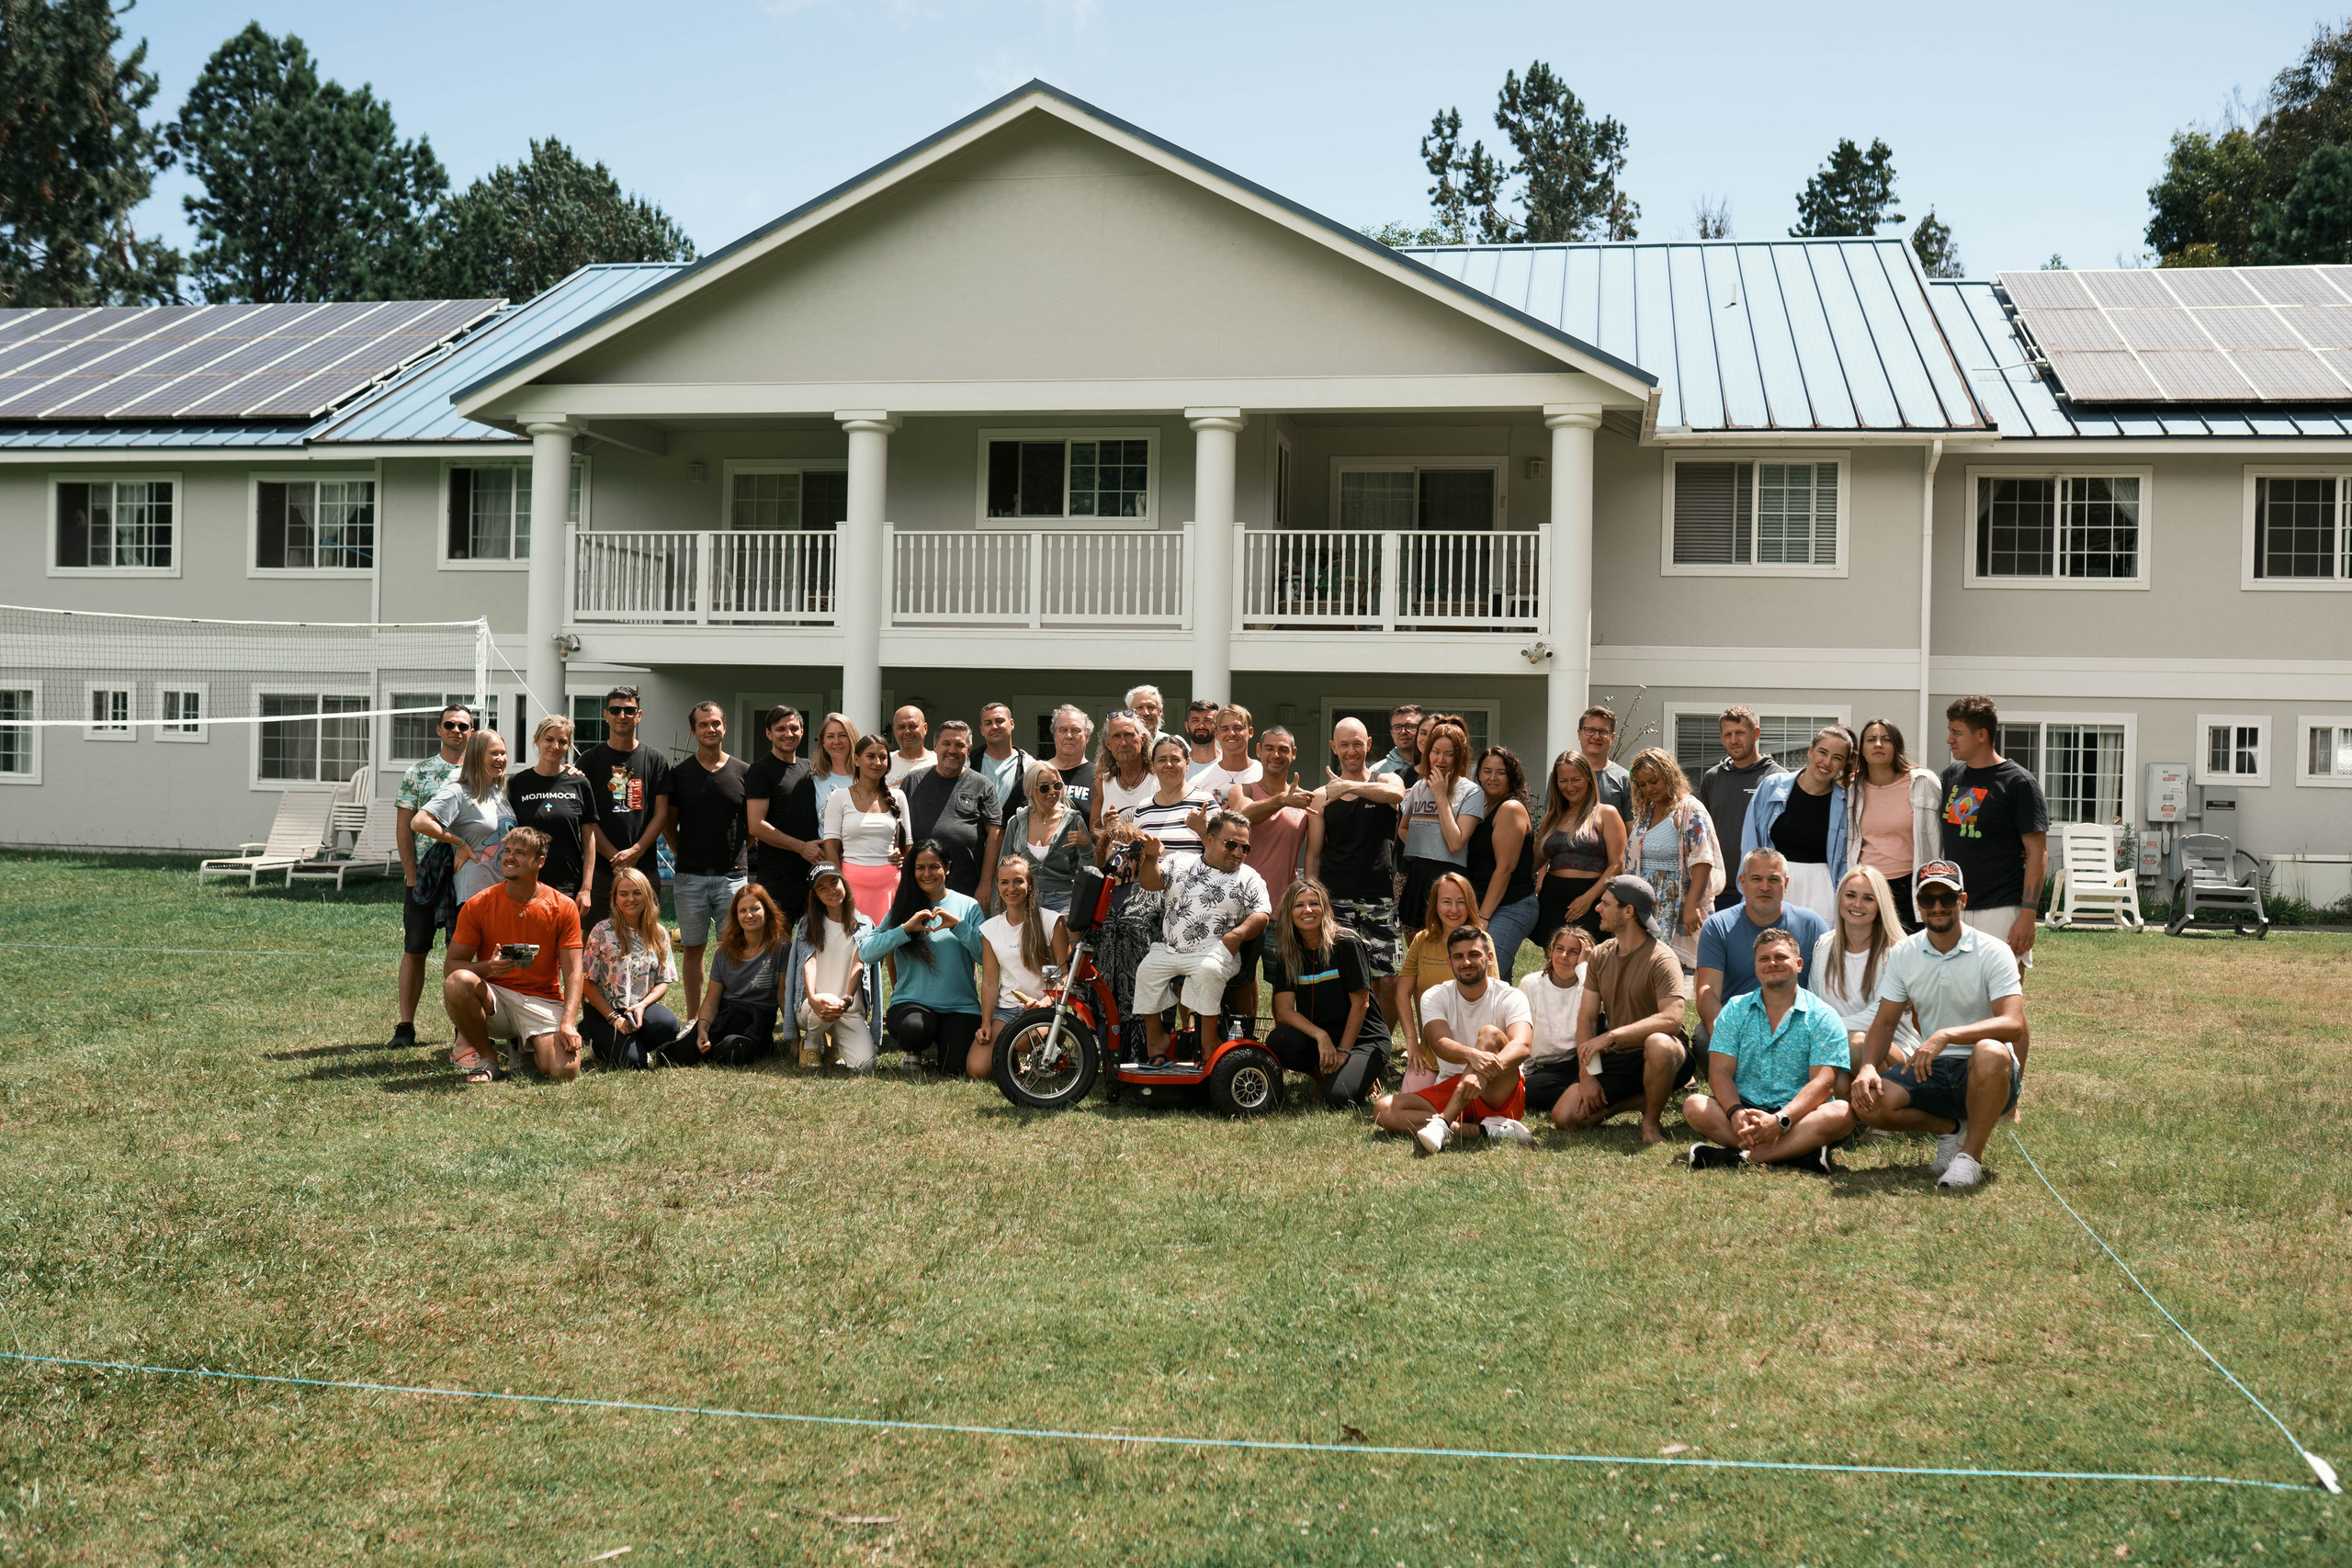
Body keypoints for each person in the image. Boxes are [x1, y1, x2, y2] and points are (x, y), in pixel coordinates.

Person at [1848, 861, 2027, 1190]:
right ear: (1918, 905)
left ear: (1963, 900)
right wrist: (1868, 1068)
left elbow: (2013, 1024)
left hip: (1988, 1071)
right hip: (1932, 1068)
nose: (1938, 907)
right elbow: (1886, 1021)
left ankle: (1970, 1158)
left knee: (1989, 1050)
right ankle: (1950, 1131)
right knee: (1868, 1104)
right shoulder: (1904, 953)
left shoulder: (1994, 951)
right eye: (1928, 899)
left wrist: (1946, 1035)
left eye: (1947, 898)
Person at [1683, 927, 1856, 1173]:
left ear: (1798, 964)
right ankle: (1798, 1154)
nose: (1772, 963)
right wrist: (1734, 1113)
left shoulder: (1823, 1016)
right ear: (1755, 967)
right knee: (1694, 1106)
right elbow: (1719, 1072)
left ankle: (1738, 1157)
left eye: (1780, 957)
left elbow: (1824, 1083)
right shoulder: (1735, 1010)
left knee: (1842, 1112)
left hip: (1800, 1116)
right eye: (1764, 959)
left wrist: (1781, 1120)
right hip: (1745, 1112)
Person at [1548, 877, 1693, 1143]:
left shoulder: (1662, 958)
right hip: (1621, 1057)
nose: (1597, 908)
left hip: (1667, 1056)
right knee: (1564, 1117)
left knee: (1659, 1043)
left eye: (1605, 903)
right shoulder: (1601, 955)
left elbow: (1672, 1020)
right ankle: (1640, 1099)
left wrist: (1612, 1036)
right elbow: (1587, 1019)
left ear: (1628, 912)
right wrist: (1587, 1075)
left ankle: (1650, 1123)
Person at [1373, 924, 1535, 1154]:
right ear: (1449, 963)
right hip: (1452, 1084)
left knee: (1489, 1034)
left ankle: (1442, 1123)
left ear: (1489, 957)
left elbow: (1523, 1046)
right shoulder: (1435, 996)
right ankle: (1490, 1131)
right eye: (1458, 956)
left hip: (1498, 1089)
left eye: (1474, 955)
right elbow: (1440, 1044)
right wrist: (1473, 1056)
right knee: (1383, 1108)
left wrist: (1484, 1070)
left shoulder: (1510, 996)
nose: (1466, 962)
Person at [441, 827, 585, 1084]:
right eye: (507, 851)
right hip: (496, 1000)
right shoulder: (479, 904)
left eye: (520, 853)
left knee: (563, 1072)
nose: (510, 857)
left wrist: (568, 1023)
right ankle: (488, 1058)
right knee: (457, 982)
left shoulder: (563, 906)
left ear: (540, 862)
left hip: (542, 999)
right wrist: (488, 968)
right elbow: (451, 967)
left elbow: (574, 971)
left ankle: (523, 1045)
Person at [1132, 810, 1271, 1067]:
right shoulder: (1180, 862)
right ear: (1208, 840)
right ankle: (1157, 1043)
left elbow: (1261, 914)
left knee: (1207, 971)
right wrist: (1151, 857)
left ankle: (1209, 1044)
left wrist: (1237, 935)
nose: (1238, 852)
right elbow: (1150, 883)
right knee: (1146, 972)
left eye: (1245, 847)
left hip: (1215, 950)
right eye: (1231, 844)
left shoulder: (1249, 876)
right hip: (1170, 948)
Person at [1304, 717, 1408, 1037]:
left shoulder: (1386, 779)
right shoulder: (1321, 796)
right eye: (1344, 745)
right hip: (1335, 899)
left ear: (1368, 745)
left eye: (1357, 744)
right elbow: (1314, 853)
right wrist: (1311, 898)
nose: (1351, 751)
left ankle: (1381, 1048)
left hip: (1380, 898)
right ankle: (1343, 1044)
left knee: (1388, 980)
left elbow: (1397, 795)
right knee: (1341, 979)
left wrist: (1348, 786)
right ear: (1334, 748)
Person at [1939, 695, 2050, 976]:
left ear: (1982, 735)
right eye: (1950, 731)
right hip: (1956, 906)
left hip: (2002, 909)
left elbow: (2037, 852)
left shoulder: (2018, 782)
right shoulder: (1951, 776)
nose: (1950, 739)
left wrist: (2028, 915)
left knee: (2003, 1004)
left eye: (1957, 732)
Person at [1260, 877, 1389, 1106]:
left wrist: (1343, 1051)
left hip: (1363, 1038)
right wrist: (1321, 1035)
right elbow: (1283, 1011)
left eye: (1314, 904)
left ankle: (1357, 1074)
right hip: (1323, 1036)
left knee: (1336, 1099)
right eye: (1299, 905)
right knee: (1279, 1040)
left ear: (1325, 908)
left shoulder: (1347, 944)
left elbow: (1362, 1004)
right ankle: (1323, 1076)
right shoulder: (1289, 952)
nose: (1307, 910)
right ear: (1289, 912)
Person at [865, 841, 988, 1077]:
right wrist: (904, 930)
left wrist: (959, 927)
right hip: (912, 1004)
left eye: (934, 866)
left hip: (960, 1008)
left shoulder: (968, 906)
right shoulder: (902, 907)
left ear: (947, 868)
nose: (927, 873)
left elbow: (985, 958)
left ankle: (946, 1041)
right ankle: (914, 1050)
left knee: (955, 1068)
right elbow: (867, 952)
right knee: (915, 1030)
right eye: (920, 867)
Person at [391, 703, 473, 1049]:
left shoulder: (481, 769)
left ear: (472, 732)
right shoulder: (418, 772)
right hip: (426, 876)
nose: (457, 730)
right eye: (450, 724)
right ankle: (405, 1026)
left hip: (468, 877)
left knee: (462, 953)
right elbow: (403, 828)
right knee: (416, 948)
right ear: (439, 730)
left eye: (464, 726)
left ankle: (463, 1026)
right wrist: (411, 875)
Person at [664, 701, 752, 1021]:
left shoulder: (744, 772)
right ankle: (692, 1017)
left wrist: (740, 849)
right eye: (703, 725)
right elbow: (668, 824)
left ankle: (729, 1013)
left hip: (733, 877)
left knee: (734, 948)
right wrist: (683, 852)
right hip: (690, 877)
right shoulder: (680, 775)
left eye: (715, 723)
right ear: (694, 731)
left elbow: (751, 826)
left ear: (724, 727)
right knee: (693, 949)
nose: (710, 729)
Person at [1696, 849, 1831, 1039]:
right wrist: (1725, 1035)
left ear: (1786, 884)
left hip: (1797, 1025)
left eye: (1774, 880)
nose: (1765, 887)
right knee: (1703, 1041)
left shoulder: (1811, 924)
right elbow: (1707, 990)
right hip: (1737, 1022)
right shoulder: (1718, 926)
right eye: (1756, 879)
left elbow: (1828, 988)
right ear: (1742, 883)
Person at [1810, 864, 1920, 1090]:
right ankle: (1868, 1122)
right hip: (1835, 1049)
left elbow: (1881, 1015)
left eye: (1868, 898)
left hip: (1893, 1050)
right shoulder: (1824, 946)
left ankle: (1892, 1105)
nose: (1857, 904)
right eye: (1850, 895)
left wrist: (1823, 1031)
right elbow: (1814, 1003)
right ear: (1840, 898)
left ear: (1880, 905)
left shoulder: (1897, 951)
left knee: (1856, 1044)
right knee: (1836, 1081)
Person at [1622, 748, 1725, 972]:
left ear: (1669, 775)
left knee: (1669, 970)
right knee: (1642, 970)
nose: (1649, 789)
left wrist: (1692, 905)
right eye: (1642, 784)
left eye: (1654, 781)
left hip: (1675, 902)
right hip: (1646, 903)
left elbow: (1703, 859)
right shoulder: (1646, 812)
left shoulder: (1689, 809)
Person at [1742, 725, 1854, 927]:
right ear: (1811, 751)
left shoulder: (1847, 803)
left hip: (1822, 893)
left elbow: (1846, 859)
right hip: (1773, 884)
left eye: (1837, 758)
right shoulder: (1772, 786)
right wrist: (1748, 890)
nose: (1827, 762)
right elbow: (1751, 846)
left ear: (1844, 764)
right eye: (1823, 752)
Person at [1396, 871, 1498, 1093]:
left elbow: (1494, 997)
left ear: (1470, 905)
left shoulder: (1482, 941)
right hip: (1432, 1049)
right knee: (1409, 1099)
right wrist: (1412, 1043)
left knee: (1463, 1103)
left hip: (1474, 1048)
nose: (1454, 910)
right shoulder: (1422, 940)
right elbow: (1402, 992)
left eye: (1461, 902)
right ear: (1435, 905)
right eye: (1446, 902)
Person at [580, 685, 672, 930]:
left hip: (644, 866)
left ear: (638, 715)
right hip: (600, 868)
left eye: (629, 710)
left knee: (645, 936)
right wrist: (614, 856)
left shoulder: (655, 759)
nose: (622, 715)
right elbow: (585, 818)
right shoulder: (589, 760)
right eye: (616, 709)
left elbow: (661, 813)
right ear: (606, 714)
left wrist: (636, 851)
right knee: (595, 939)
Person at [579, 865, 681, 1070]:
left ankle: (631, 1045)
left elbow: (663, 981)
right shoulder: (601, 931)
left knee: (669, 1025)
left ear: (646, 895)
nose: (630, 899)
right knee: (636, 1063)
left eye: (637, 893)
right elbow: (586, 982)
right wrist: (613, 1017)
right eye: (623, 894)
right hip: (603, 1012)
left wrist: (643, 1006)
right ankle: (599, 1046)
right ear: (615, 898)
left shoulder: (658, 932)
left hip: (638, 1010)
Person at [1847, 717, 1941, 931]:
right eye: (1871, 739)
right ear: (1862, 750)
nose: (1878, 744)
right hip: (1866, 885)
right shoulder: (1852, 788)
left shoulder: (1923, 782)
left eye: (1886, 739)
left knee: (1909, 954)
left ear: (1897, 746)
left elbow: (1943, 834)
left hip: (1910, 885)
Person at [786, 863, 879, 1071]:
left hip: (848, 1011)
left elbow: (859, 964)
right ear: (816, 895)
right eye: (822, 888)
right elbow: (809, 961)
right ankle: (811, 1040)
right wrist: (812, 997)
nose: (831, 891)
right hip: (814, 1009)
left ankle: (834, 1042)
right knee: (827, 1000)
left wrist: (846, 999)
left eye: (834, 882)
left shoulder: (864, 925)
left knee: (864, 1065)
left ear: (843, 883)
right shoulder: (809, 923)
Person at [504, 715, 600, 916]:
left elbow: (589, 839)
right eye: (549, 739)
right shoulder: (517, 783)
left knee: (565, 946)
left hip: (568, 885)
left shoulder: (580, 784)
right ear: (537, 740)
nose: (555, 746)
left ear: (569, 745)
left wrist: (586, 888)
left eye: (563, 741)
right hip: (525, 884)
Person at [976, 854, 1071, 1055]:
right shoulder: (990, 929)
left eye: (1018, 881)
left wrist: (1047, 1001)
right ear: (998, 887)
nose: (1011, 888)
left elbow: (1065, 974)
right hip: (1006, 1011)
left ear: (1029, 885)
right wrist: (986, 1023)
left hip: (1043, 1009)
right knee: (977, 1069)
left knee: (1022, 1040)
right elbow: (990, 982)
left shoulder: (1052, 921)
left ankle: (1055, 1040)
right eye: (1004, 882)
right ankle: (1014, 1065)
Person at [1396, 719, 1482, 940]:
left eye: (1449, 754)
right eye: (1435, 751)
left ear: (1460, 755)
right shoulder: (1418, 786)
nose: (1440, 760)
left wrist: (1441, 796)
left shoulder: (1471, 791)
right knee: (1417, 945)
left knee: (1450, 944)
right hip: (1418, 874)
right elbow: (1403, 829)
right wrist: (1423, 845)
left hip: (1450, 876)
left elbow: (1456, 843)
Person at [903, 720, 1002, 906]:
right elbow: (897, 827)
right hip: (918, 887)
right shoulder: (913, 781)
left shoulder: (982, 785)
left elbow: (995, 834)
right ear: (935, 746)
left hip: (967, 889)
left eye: (959, 745)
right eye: (946, 744)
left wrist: (986, 883)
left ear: (969, 748)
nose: (952, 750)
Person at [686, 884, 788, 1065]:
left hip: (757, 1019)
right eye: (742, 911)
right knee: (676, 1052)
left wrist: (793, 1037)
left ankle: (740, 1047)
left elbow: (783, 996)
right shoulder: (724, 952)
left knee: (731, 1050)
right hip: (727, 1015)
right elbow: (711, 1000)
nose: (749, 915)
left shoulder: (781, 948)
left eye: (755, 909)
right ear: (736, 916)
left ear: (767, 911)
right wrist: (702, 1029)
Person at [1532, 750, 1626, 944]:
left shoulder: (1606, 813)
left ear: (1589, 779)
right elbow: (1534, 860)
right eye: (1563, 781)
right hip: (1553, 898)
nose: (1569, 787)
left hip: (1593, 899)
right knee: (1556, 963)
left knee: (1589, 962)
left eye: (1576, 780)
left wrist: (1588, 898)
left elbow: (1617, 865)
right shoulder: (1552, 816)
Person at [1697, 705, 1785, 911]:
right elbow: (1702, 836)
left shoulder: (1777, 778)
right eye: (1727, 735)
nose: (1733, 740)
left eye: (1740, 733)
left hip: (1760, 891)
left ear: (1756, 734)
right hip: (1716, 891)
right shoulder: (1712, 778)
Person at [413, 730, 516, 905]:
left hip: (503, 890)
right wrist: (458, 842)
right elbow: (419, 822)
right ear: (477, 756)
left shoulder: (501, 791)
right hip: (474, 893)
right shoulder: (459, 792)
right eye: (493, 753)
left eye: (503, 753)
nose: (501, 758)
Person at [745, 705, 820, 929]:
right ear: (769, 733)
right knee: (776, 946)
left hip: (812, 873)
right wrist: (802, 848)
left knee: (815, 943)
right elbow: (756, 826)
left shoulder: (810, 768)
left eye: (794, 728)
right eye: (780, 729)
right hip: (778, 876)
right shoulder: (760, 771)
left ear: (802, 731)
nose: (788, 734)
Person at [824, 734, 910, 919]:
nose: (877, 762)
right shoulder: (839, 797)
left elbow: (908, 845)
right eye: (871, 756)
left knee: (888, 945)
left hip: (891, 885)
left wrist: (901, 856)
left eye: (883, 757)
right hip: (850, 885)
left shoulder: (899, 797)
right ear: (856, 759)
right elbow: (830, 847)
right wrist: (839, 884)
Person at [1467, 745, 1538, 974]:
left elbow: (1505, 868)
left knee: (1486, 973)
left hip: (1511, 905)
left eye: (1501, 772)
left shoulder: (1510, 808)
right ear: (1478, 774)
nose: (1493, 777)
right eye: (1487, 771)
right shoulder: (1484, 808)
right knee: (1499, 981)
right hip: (1489, 903)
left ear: (1511, 776)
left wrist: (1483, 917)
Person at [1516, 923, 1592, 1121]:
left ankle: (1588, 1091)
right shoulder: (1531, 984)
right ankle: (1581, 1096)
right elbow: (1524, 1033)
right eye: (1560, 949)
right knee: (1529, 1091)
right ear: (1551, 951)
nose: (1564, 956)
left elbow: (1594, 1014)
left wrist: (1585, 969)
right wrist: (1525, 1077)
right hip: (1552, 1070)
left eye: (1573, 952)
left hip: (1584, 1061)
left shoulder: (1589, 985)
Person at [999, 764, 1096, 914]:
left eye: (1057, 785)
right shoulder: (1017, 822)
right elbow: (1003, 867)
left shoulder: (1073, 820)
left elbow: (1087, 871)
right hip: (1024, 898)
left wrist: (1086, 847)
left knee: (1063, 936)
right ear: (1031, 790)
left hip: (1063, 900)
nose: (1053, 792)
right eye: (1044, 788)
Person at [1238, 725, 1314, 890]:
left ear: (1293, 754)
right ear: (1258, 750)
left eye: (1283, 750)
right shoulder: (1243, 791)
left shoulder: (1303, 800)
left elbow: (1316, 852)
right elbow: (1241, 816)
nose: (1276, 755)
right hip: (1244, 901)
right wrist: (1282, 800)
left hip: (1285, 905)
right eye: (1269, 748)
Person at [1133, 733, 1216, 859]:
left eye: (1175, 759)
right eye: (1162, 760)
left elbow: (1223, 854)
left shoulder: (1205, 803)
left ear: (1187, 763)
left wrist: (1203, 831)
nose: (1169, 765)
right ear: (1153, 765)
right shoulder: (1143, 808)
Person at [1091, 708, 1154, 830]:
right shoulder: (1101, 784)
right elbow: (1094, 836)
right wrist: (1107, 828)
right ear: (1108, 744)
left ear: (1142, 739)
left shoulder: (1159, 778)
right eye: (1116, 737)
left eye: (1129, 735)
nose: (1123, 743)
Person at [1190, 704, 1262, 807]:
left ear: (1250, 732)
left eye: (1238, 728)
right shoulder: (1198, 783)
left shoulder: (1264, 774)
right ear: (1216, 735)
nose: (1231, 733)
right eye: (1225, 729)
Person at [1576, 705, 1634, 823]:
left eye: (1603, 732)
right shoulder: (1562, 775)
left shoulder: (1625, 779)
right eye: (1590, 730)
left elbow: (1632, 831)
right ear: (1579, 734)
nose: (1596, 736)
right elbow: (1550, 823)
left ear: (1612, 738)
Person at [976, 702, 1035, 813]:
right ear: (982, 730)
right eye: (988, 723)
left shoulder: (1029, 766)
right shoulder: (969, 764)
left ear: (1012, 724)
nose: (994, 726)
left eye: (1000, 721)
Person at [1044, 705, 1097, 821]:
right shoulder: (1038, 773)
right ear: (1054, 735)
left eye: (1075, 730)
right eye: (1063, 730)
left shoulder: (1099, 778)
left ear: (1087, 736)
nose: (1069, 736)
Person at [806, 712, 861, 821]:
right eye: (830, 736)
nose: (836, 741)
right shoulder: (814, 778)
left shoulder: (866, 776)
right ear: (823, 743)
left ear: (852, 738)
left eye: (842, 735)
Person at [1371, 705, 1423, 784]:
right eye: (1397, 727)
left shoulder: (1435, 765)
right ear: (1392, 734)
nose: (1403, 731)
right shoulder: (1376, 772)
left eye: (1410, 726)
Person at [885, 705, 934, 785]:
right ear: (894, 731)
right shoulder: (884, 763)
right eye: (901, 727)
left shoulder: (938, 763)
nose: (907, 731)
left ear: (925, 728)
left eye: (913, 726)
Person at [1182, 696, 1220, 775]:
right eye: (1195, 720)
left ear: (1217, 726)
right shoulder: (1180, 765)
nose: (1201, 726)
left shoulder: (1229, 762)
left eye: (1207, 720)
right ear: (1187, 727)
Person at [1125, 684, 1168, 749]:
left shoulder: (1173, 743)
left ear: (1160, 711)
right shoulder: (1123, 743)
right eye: (1139, 708)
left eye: (1151, 707)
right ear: (1129, 712)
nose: (1146, 713)